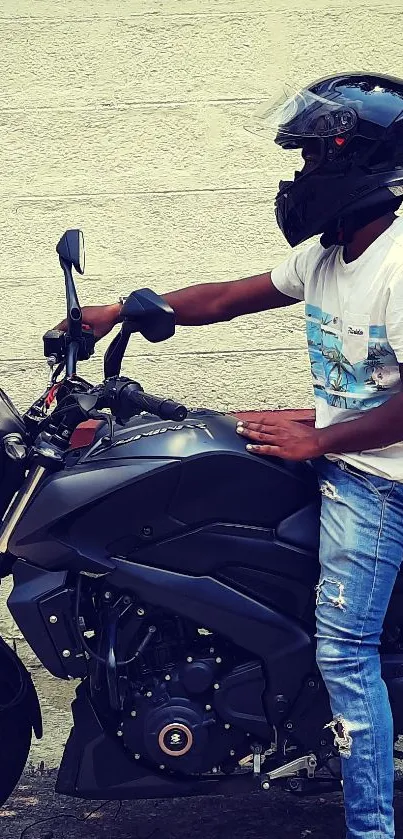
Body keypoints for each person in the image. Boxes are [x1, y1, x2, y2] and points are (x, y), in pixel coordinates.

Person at [57, 73, 403, 838]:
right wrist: (125, 307)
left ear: (361, 162)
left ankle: (371, 826)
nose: (299, 177)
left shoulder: (396, 265)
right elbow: (228, 297)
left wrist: (319, 438)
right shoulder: (329, 255)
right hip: (346, 456)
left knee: (346, 647)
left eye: (314, 158)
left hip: (383, 478)